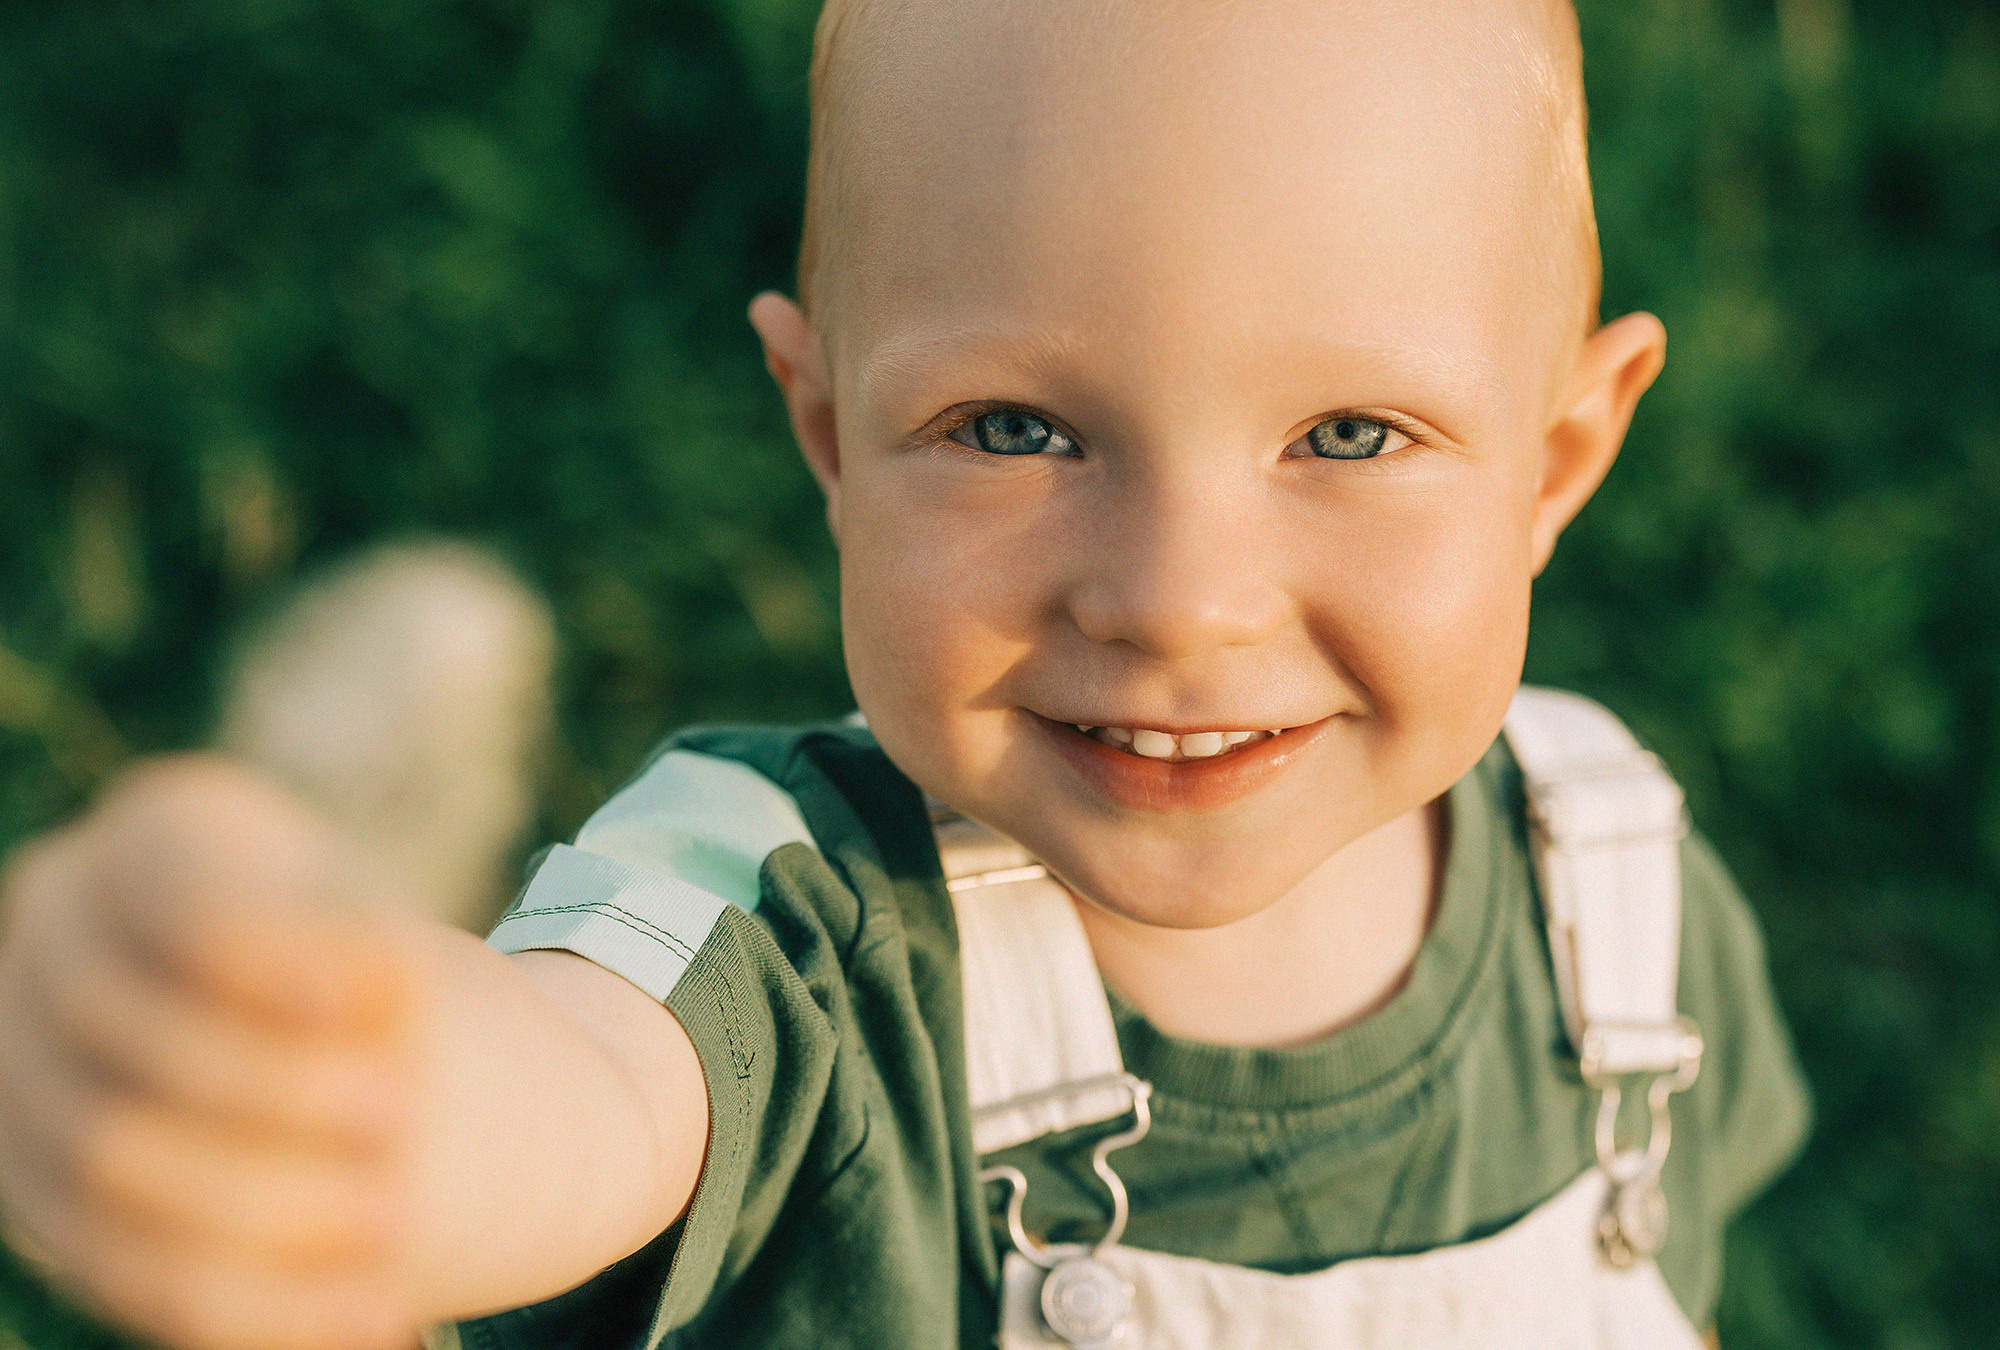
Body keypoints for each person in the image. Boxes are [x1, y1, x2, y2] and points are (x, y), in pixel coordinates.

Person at [0, 0, 1809, 1347]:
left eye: (1348, 432)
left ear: (1560, 461)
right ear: (830, 435)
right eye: (1013, 425)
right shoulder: (793, 924)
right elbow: (573, 1090)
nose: (1180, 601)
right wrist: (315, 1070)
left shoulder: (1613, 882)